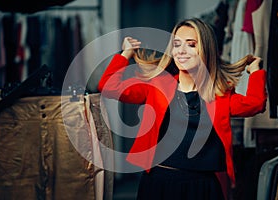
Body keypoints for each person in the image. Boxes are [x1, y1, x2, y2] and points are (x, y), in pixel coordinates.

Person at [98, 18, 267, 200]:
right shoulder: (158, 86)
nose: (181, 51)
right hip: (158, 183)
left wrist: (256, 72)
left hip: (203, 188)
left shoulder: (219, 94)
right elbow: (108, 86)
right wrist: (125, 54)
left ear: (206, 50)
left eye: (191, 45)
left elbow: (256, 104)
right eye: (177, 44)